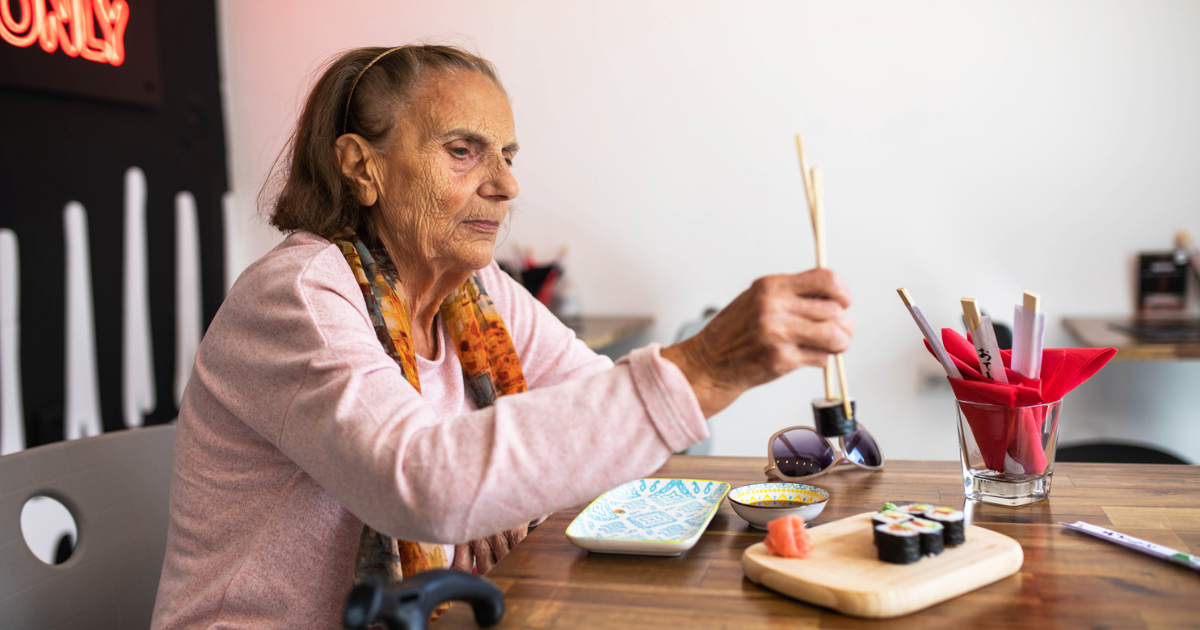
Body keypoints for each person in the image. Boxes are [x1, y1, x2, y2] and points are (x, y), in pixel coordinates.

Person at [150, 45, 853, 630]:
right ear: (362, 165)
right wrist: (701, 365)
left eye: (508, 154)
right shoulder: (299, 295)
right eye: (464, 151)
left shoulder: (474, 294)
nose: (507, 183)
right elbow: (423, 484)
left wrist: (502, 494)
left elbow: (603, 435)